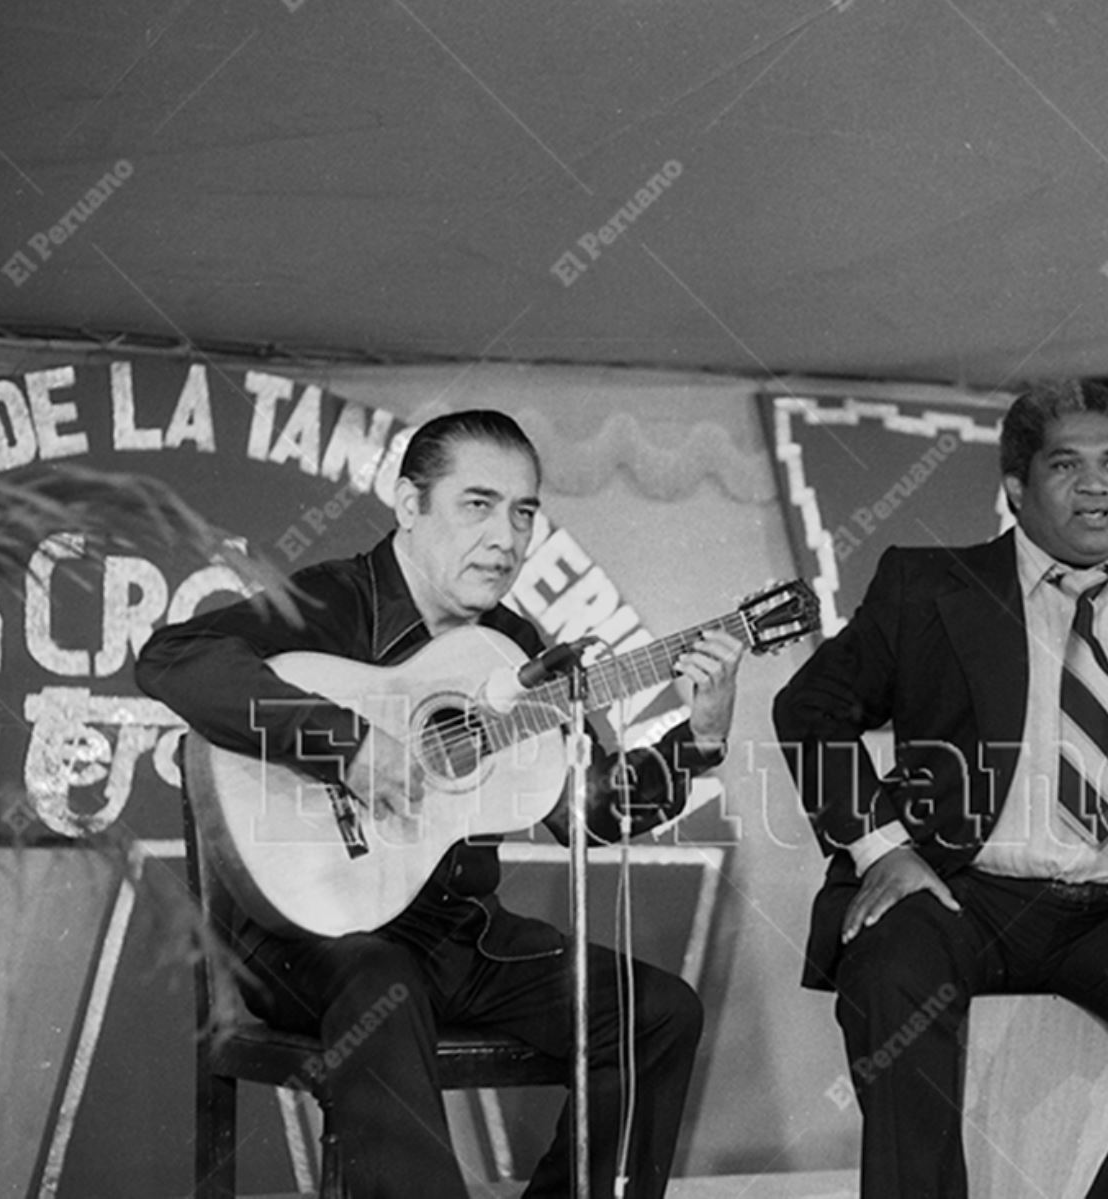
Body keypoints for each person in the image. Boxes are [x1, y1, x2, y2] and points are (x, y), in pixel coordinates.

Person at [136, 409, 743, 1199]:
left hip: (458, 937)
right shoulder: (333, 602)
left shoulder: (521, 648)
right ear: (409, 504)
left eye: (524, 512)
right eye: (478, 504)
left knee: (658, 1014)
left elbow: (587, 815)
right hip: (309, 934)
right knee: (381, 982)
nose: (506, 536)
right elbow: (173, 658)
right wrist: (346, 742)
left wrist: (697, 740)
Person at [772, 380, 1108, 1198]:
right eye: (1068, 464)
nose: (1098, 485)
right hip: (961, 893)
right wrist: (884, 848)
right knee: (890, 973)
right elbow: (809, 707)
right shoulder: (928, 586)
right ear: (1016, 486)